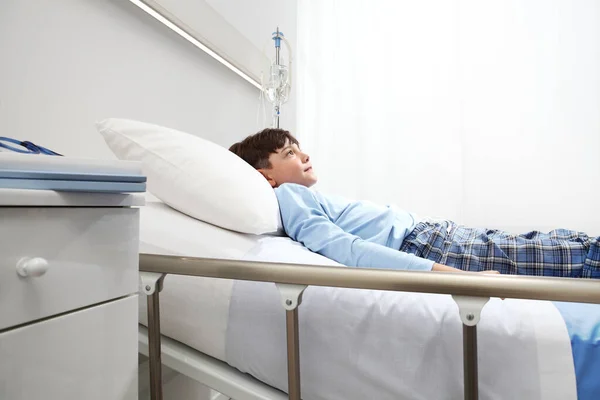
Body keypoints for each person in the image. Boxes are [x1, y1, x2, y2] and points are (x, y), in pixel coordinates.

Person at [229, 128, 600, 278]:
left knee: (551, 245)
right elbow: (349, 251)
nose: (304, 154)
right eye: (290, 152)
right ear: (267, 176)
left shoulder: (300, 196)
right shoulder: (288, 196)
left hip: (435, 235)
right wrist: (450, 275)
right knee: (563, 254)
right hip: (427, 245)